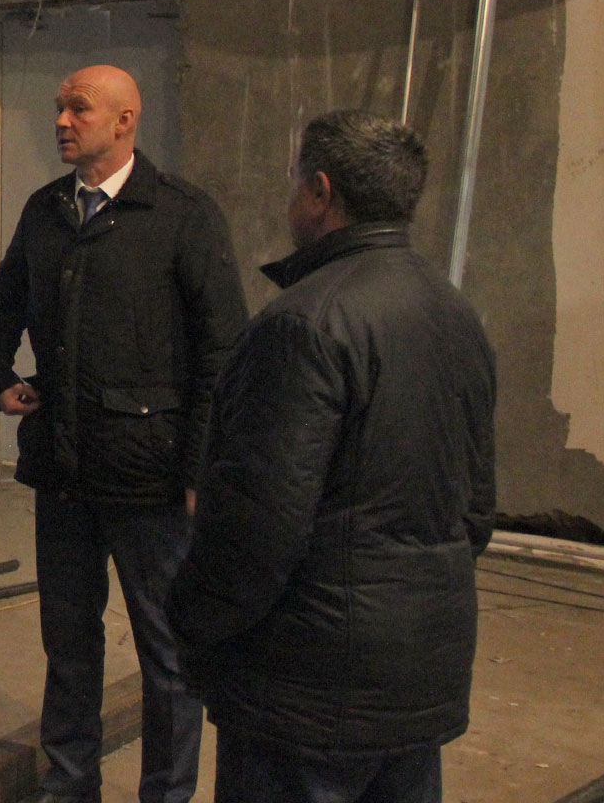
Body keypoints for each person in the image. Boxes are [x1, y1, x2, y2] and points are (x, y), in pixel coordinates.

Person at [168, 111, 496, 803]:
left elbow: (257, 530)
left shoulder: (303, 324)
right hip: (418, 675)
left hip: (307, 693)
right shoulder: (455, 313)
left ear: (320, 192)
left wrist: (191, 619)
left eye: (295, 181)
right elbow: (475, 512)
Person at [0, 65, 247, 803]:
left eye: (79, 108)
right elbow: (1, 299)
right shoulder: (46, 210)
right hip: (63, 470)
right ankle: (70, 787)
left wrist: (200, 469)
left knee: (167, 652)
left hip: (150, 476)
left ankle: (166, 794)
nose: (61, 120)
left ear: (125, 121)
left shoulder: (182, 215)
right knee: (68, 643)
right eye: (59, 107)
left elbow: (224, 350)